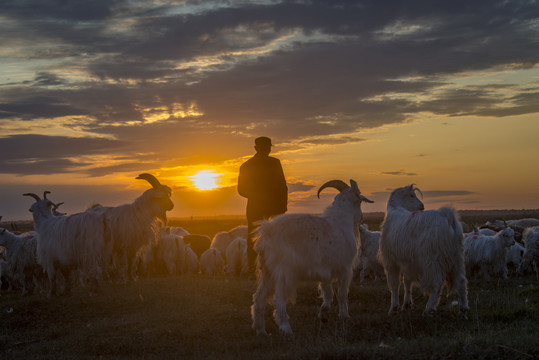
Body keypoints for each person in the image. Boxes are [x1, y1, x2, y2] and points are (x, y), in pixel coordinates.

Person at [238, 136, 288, 274]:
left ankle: (260, 269)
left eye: (269, 147)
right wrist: (281, 207)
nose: (268, 149)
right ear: (257, 148)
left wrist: (282, 208)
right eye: (266, 147)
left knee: (263, 239)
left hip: (265, 209)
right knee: (257, 239)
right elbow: (241, 189)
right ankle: (255, 269)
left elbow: (283, 187)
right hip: (267, 209)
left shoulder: (248, 165)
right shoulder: (248, 166)